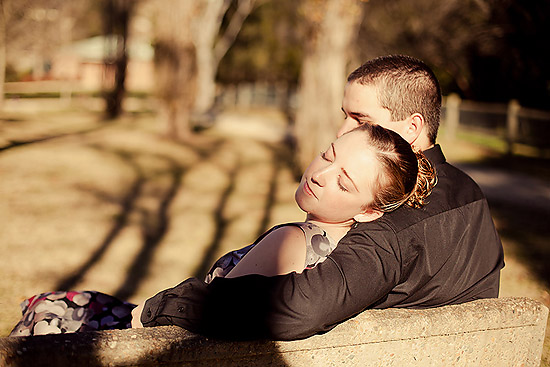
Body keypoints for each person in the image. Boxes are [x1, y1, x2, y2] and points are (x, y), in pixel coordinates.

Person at [135, 55, 504, 341]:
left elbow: (300, 307)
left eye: (361, 121)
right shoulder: (470, 193)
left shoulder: (388, 223)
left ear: (412, 128)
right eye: (345, 116)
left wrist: (173, 304)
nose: (344, 130)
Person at [10, 123, 436, 336]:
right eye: (328, 155)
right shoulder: (353, 258)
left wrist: (141, 316)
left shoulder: (290, 241)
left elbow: (205, 316)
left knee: (48, 308)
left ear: (369, 211)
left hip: (157, 338)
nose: (321, 174)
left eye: (344, 182)